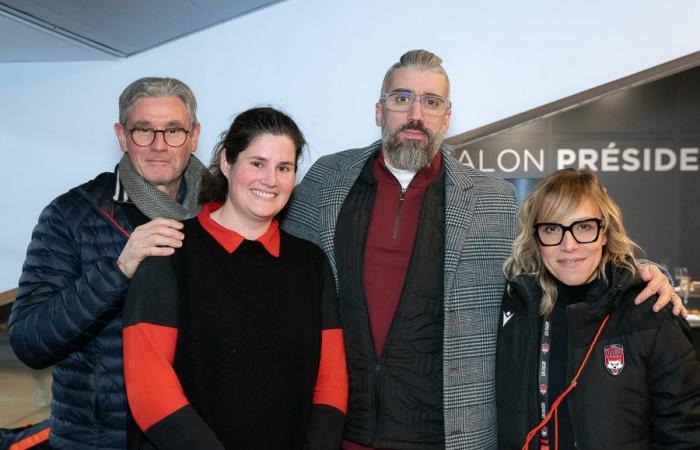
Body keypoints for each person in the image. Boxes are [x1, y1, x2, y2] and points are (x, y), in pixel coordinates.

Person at [281, 49, 681, 449]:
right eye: (402, 98)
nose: (415, 113)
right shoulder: (326, 181)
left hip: (448, 437)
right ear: (379, 110)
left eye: (431, 101)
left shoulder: (492, 198)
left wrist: (637, 271)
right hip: (340, 432)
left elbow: (557, 252)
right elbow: (278, 257)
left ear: (447, 117)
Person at [122, 107, 348, 449]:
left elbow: (331, 382)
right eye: (257, 163)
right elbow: (148, 388)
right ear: (227, 163)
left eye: (283, 168)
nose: (270, 180)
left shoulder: (310, 263)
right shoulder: (169, 254)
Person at [9, 77, 206, 449]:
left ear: (194, 136)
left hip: (199, 434)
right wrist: (118, 270)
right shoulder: (72, 214)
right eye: (143, 130)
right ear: (121, 135)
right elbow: (29, 342)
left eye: (174, 131)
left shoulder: (221, 212)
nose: (159, 145)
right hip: (102, 440)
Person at [497, 169, 700, 449]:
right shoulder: (515, 308)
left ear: (604, 232)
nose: (569, 245)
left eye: (583, 227)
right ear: (536, 238)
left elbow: (683, 430)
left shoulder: (650, 311)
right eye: (552, 229)